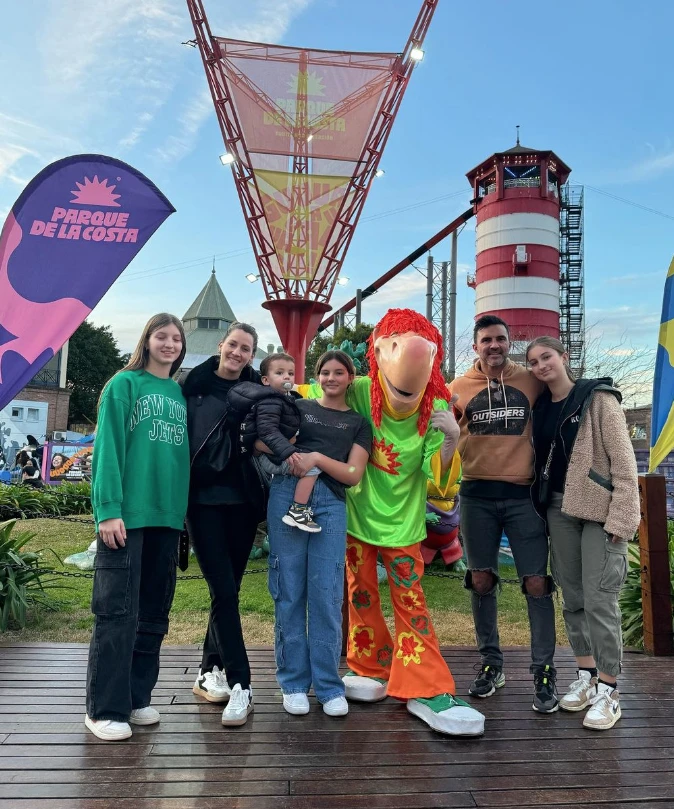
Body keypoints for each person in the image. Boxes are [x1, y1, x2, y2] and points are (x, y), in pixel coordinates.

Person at [526, 336, 640, 730]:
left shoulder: (598, 399)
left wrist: (622, 520)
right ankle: (586, 676)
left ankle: (610, 689)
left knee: (599, 599)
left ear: (564, 357)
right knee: (573, 597)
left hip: (600, 514)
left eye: (547, 357)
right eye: (534, 361)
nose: (542, 365)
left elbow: (624, 463)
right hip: (559, 510)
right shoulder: (540, 407)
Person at [85, 313, 189, 742]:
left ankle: (136, 696)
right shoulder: (123, 386)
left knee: (153, 614)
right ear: (146, 341)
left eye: (176, 338)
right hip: (127, 517)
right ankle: (103, 708)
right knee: (116, 613)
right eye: (161, 336)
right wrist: (108, 510)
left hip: (167, 518)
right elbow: (107, 447)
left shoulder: (177, 394)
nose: (169, 343)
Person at [450, 315, 558, 713]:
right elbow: (433, 427)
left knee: (535, 583)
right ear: (475, 346)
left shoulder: (532, 380)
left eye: (500, 339)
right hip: (476, 494)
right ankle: (492, 663)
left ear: (509, 342)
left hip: (523, 496)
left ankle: (544, 671)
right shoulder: (458, 389)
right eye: (486, 340)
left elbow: (566, 390)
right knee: (480, 579)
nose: (494, 346)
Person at [266, 350, 371, 717]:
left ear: (349, 378)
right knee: (289, 589)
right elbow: (265, 439)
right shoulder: (298, 406)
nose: (330, 378)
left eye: (338, 373)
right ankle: (293, 682)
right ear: (316, 376)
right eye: (324, 372)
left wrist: (316, 459)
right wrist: (294, 456)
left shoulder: (357, 422)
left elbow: (353, 474)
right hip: (287, 494)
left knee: (326, 594)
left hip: (330, 503)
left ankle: (328, 685)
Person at [182, 321, 267, 726]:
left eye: (245, 348)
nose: (237, 353)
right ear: (221, 345)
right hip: (203, 501)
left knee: (228, 590)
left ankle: (206, 670)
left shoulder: (258, 392)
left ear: (252, 354)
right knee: (222, 590)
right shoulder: (192, 388)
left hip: (244, 502)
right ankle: (241, 682)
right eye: (233, 345)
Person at [229, 352, 322, 532]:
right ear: (265, 380)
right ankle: (298, 511)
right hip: (272, 455)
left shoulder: (286, 399)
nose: (286, 376)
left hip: (276, 451)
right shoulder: (270, 401)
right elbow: (267, 431)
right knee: (312, 468)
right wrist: (288, 451)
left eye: (290, 373)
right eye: (279, 373)